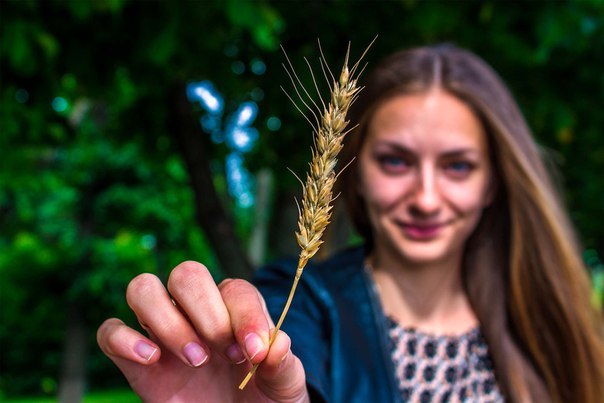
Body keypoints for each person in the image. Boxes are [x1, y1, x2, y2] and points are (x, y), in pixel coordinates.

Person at [97, 44, 604, 402]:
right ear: (355, 172)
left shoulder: (550, 316)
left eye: (458, 166)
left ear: (494, 182)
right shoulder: (298, 308)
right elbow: (283, 360)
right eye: (396, 161)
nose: (426, 198)